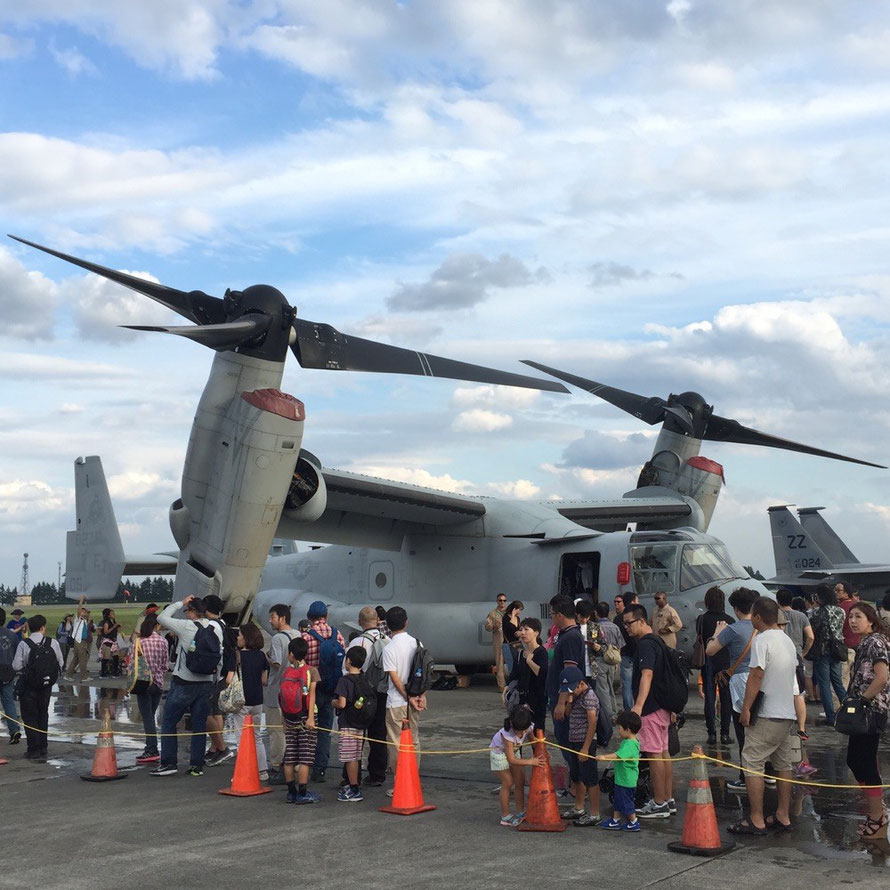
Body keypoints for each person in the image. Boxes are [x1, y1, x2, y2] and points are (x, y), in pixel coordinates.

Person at [728, 597, 797, 836]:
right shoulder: (787, 640)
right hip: (787, 712)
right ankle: (783, 814)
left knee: (752, 762)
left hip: (766, 713)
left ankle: (756, 818)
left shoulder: (762, 640)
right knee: (783, 765)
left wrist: (746, 708)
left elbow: (756, 676)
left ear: (757, 617)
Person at [152, 595, 224, 777]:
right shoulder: (215, 627)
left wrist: (180, 602)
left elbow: (161, 618)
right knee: (199, 724)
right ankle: (196, 765)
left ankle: (169, 763)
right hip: (206, 681)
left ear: (192, 612)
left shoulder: (187, 626)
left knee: (169, 721)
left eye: (187, 611)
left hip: (185, 681)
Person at [843, 602, 890, 838]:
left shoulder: (874, 642)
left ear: (870, 620)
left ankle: (878, 817)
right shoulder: (866, 642)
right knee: (855, 760)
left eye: (858, 616)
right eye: (850, 616)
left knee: (865, 763)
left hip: (870, 711)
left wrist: (862, 700)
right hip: (864, 710)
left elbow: (882, 677)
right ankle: (878, 810)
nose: (852, 621)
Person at [624, 604, 676, 818]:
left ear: (642, 621)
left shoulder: (645, 645)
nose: (626, 627)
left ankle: (659, 802)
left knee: (654, 753)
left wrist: (638, 705)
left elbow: (647, 675)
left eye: (629, 622)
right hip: (663, 705)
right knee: (663, 753)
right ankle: (668, 799)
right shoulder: (658, 642)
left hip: (651, 707)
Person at [706, 586, 758, 792]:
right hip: (758, 678)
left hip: (740, 681)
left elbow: (710, 650)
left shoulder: (733, 629)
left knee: (742, 730)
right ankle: (766, 773)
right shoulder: (759, 627)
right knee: (758, 728)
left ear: (736, 608)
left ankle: (746, 777)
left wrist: (716, 633)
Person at [343, 606, 389, 787]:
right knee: (378, 734)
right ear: (377, 620)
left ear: (359, 622)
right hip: (382, 693)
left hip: (360, 695)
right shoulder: (387, 639)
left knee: (355, 734)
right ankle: (377, 773)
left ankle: (351, 777)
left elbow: (346, 670)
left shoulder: (358, 642)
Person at [382, 606, 426, 789]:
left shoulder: (389, 647)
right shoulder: (417, 643)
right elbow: (423, 673)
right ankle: (413, 781)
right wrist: (419, 696)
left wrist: (406, 696)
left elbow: (394, 677)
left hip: (396, 701)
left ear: (387, 625)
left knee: (396, 744)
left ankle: (400, 784)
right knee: (413, 741)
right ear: (406, 622)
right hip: (415, 700)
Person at [302, 600, 346, 782]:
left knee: (307, 726)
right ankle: (320, 768)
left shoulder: (306, 637)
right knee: (325, 729)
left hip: (312, 687)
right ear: (326, 616)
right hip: (331, 687)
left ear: (309, 618)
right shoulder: (337, 635)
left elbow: (301, 663)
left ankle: (305, 764)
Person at [776, 588, 817, 778]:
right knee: (798, 693)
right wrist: (804, 652)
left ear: (777, 600)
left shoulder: (775, 615)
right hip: (797, 657)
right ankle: (801, 728)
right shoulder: (801, 616)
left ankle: (786, 723)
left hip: (779, 657)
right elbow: (810, 636)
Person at [12, 614, 63, 761]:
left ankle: (33, 749)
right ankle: (43, 747)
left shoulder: (24, 644)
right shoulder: (52, 643)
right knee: (43, 715)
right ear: (42, 628)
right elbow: (60, 663)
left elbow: (16, 666)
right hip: (46, 686)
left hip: (29, 686)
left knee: (30, 717)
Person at [557, 666, 602, 826]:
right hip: (574, 740)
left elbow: (592, 724)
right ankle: (579, 807)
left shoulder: (589, 696)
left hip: (586, 742)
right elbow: (567, 714)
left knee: (590, 778)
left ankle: (595, 813)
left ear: (581, 683)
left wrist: (585, 747)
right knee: (577, 776)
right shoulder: (576, 696)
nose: (570, 691)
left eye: (571, 688)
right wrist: (569, 698)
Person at [280, 636, 320, 804]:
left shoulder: (285, 673)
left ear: (291, 654)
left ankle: (291, 792)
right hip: (305, 717)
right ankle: (303, 793)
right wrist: (311, 717)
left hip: (289, 717)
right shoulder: (311, 671)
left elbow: (281, 697)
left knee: (290, 755)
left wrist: (283, 719)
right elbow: (312, 695)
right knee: (305, 756)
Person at [546, 595, 584, 770]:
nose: (552, 618)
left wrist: (562, 702)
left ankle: (576, 782)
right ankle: (574, 780)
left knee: (566, 741)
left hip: (563, 699)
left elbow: (570, 672)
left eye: (553, 614)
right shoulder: (566, 635)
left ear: (560, 615)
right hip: (557, 696)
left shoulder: (570, 638)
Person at [263, 604, 299, 785]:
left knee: (276, 731)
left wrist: (267, 659)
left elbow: (277, 663)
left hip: (277, 690)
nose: (270, 621)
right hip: (295, 692)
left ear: (282, 618)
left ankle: (278, 765)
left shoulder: (277, 638)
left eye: (273, 617)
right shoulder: (298, 635)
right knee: (293, 731)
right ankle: (294, 765)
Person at [490, 706, 542, 826]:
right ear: (512, 723)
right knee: (508, 782)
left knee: (520, 781)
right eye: (518, 731)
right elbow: (511, 759)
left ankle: (520, 812)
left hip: (515, 751)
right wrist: (530, 761)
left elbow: (532, 739)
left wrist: (539, 744)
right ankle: (505, 816)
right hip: (500, 754)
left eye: (523, 731)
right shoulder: (507, 734)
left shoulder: (528, 727)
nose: (520, 734)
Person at [203, 595, 237, 766]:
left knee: (211, 712)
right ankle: (215, 747)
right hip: (224, 674)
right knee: (217, 712)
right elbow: (231, 650)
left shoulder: (212, 626)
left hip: (216, 675)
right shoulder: (224, 625)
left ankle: (219, 747)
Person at [333, 645, 370, 802]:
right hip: (360, 722)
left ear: (348, 661)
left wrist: (332, 702)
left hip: (347, 722)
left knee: (350, 758)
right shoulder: (364, 679)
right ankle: (354, 786)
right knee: (356, 755)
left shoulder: (344, 681)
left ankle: (353, 788)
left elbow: (341, 703)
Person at [232, 622, 269, 779]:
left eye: (239, 635)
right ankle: (262, 771)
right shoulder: (261, 656)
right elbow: (264, 680)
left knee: (241, 738)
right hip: (257, 700)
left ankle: (244, 772)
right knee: (257, 736)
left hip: (242, 701)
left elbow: (229, 679)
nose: (238, 638)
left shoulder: (237, 656)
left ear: (246, 638)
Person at [698, 586, 734, 746]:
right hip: (725, 662)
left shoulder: (702, 619)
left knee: (709, 698)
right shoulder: (730, 620)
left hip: (708, 661)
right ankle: (725, 733)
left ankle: (711, 733)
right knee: (726, 698)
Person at [598, 709, 643, 831]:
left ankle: (634, 821)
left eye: (619, 728)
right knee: (618, 801)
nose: (618, 731)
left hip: (626, 780)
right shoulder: (629, 740)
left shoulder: (630, 744)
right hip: (621, 779)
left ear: (627, 729)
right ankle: (615, 820)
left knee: (626, 802)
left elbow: (618, 755)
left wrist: (603, 757)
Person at [810, 582, 848, 725]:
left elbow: (813, 628)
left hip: (823, 651)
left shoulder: (818, 612)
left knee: (824, 684)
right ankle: (850, 709)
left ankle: (831, 716)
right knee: (838, 682)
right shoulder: (841, 612)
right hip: (837, 650)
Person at [133, 613, 169, 764]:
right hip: (158, 683)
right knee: (151, 715)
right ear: (156, 626)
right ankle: (151, 744)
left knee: (147, 717)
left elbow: (131, 663)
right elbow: (165, 665)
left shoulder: (138, 642)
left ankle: (151, 749)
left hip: (142, 683)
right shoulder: (163, 641)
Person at [508, 618, 548, 732]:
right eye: (521, 629)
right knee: (516, 731)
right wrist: (507, 689)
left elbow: (542, 674)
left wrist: (530, 662)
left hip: (537, 700)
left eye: (526, 629)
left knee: (537, 732)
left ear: (536, 632)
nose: (523, 633)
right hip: (521, 699)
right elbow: (514, 674)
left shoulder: (541, 652)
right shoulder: (520, 653)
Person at [593, 601, 622, 722]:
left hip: (599, 660)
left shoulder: (594, 627)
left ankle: (608, 715)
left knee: (602, 689)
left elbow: (592, 644)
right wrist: (616, 662)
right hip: (612, 661)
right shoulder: (615, 627)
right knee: (610, 687)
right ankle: (613, 711)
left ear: (596, 613)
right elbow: (620, 645)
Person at [0, 608, 22, 744]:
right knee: (8, 702)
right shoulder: (11, 635)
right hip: (8, 671)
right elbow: (16, 654)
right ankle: (14, 730)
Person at [616, 591, 639, 710]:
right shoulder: (636, 617)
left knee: (627, 685)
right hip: (636, 653)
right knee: (638, 683)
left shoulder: (617, 619)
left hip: (625, 654)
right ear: (632, 602)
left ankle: (628, 710)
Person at [835, 581, 861, 689]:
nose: (835, 592)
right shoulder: (858, 606)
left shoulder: (840, 609)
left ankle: (842, 704)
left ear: (846, 593)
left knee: (843, 679)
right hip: (858, 645)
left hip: (845, 647)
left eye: (838, 590)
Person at [484, 594, 508, 690]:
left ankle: (514, 682)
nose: (502, 602)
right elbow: (487, 627)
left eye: (504, 600)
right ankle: (501, 685)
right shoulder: (492, 613)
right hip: (499, 639)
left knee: (513, 660)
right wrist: (494, 626)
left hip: (510, 639)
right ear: (497, 601)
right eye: (500, 600)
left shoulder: (509, 612)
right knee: (499, 662)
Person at [65, 597, 92, 680]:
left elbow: (88, 617)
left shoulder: (84, 620)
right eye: (83, 611)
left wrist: (87, 614)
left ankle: (68, 675)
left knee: (76, 659)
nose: (84, 612)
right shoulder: (77, 619)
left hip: (82, 641)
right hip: (79, 641)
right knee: (82, 659)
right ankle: (84, 676)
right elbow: (78, 610)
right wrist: (81, 601)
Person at [501, 600, 523, 677]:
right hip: (508, 643)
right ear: (514, 609)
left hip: (517, 643)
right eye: (518, 610)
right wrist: (513, 615)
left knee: (519, 662)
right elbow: (508, 627)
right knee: (511, 665)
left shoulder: (518, 618)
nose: (519, 612)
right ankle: (512, 682)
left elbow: (517, 629)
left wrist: (520, 632)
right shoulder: (505, 618)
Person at [98, 608, 121, 677]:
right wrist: (113, 627)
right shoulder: (106, 622)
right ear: (108, 615)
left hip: (113, 642)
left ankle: (115, 672)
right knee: (106, 658)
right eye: (112, 613)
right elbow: (106, 632)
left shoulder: (114, 621)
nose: (114, 615)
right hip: (107, 642)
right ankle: (103, 673)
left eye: (114, 613)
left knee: (116, 657)